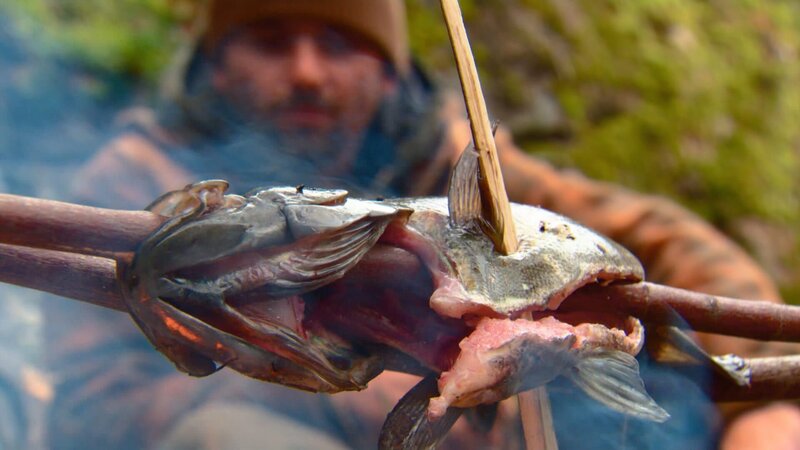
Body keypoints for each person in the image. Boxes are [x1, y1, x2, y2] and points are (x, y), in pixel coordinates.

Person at [49, 0, 800, 449]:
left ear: (386, 70)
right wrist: (329, 384)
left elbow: (678, 249)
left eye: (340, 44)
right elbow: (95, 415)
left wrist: (768, 413)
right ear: (217, 63)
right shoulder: (144, 187)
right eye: (273, 41)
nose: (308, 71)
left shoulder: (454, 166)